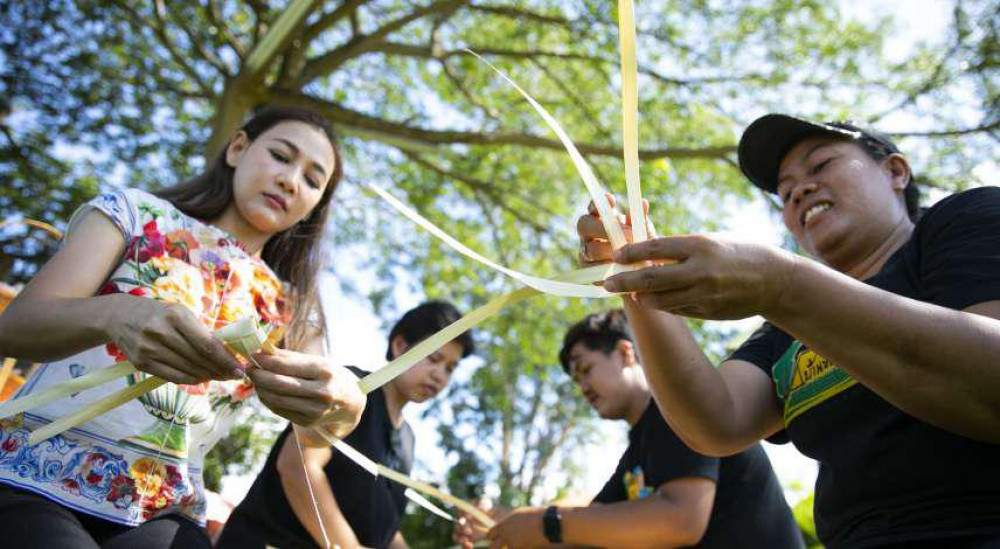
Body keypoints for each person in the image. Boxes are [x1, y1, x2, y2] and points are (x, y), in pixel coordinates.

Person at [577, 114, 1000, 547]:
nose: (799, 189)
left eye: (820, 166)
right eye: (785, 190)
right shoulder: (786, 327)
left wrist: (783, 286)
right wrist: (639, 282)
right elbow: (715, 422)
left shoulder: (965, 222)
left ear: (894, 171)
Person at [0, 106, 366, 548]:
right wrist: (115, 315)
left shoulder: (290, 307)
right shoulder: (134, 214)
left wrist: (346, 407)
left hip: (164, 515)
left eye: (312, 180)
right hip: (30, 472)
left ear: (314, 208)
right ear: (237, 149)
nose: (291, 180)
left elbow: (313, 432)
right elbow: (16, 326)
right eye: (282, 156)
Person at [457, 310, 802, 549]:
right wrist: (502, 523)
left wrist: (547, 523)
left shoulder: (678, 412)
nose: (583, 387)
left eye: (586, 369)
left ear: (625, 353)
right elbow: (590, 527)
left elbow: (681, 519)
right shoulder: (639, 449)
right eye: (576, 380)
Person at [218, 300, 475, 549]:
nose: (439, 375)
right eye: (433, 358)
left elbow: (383, 530)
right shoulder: (350, 390)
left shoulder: (408, 440)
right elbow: (298, 466)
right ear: (399, 345)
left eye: (450, 368)